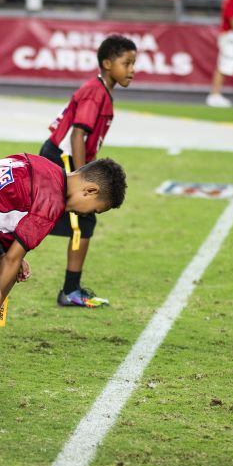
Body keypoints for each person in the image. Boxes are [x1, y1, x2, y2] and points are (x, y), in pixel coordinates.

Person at [0, 153, 127, 412]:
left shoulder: (47, 168)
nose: (85, 213)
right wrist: (6, 264)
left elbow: (1, 198)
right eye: (95, 209)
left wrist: (6, 253)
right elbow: (10, 261)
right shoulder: (52, 204)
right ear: (90, 190)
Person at [38, 35, 136, 309]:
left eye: (133, 64)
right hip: (64, 158)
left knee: (69, 219)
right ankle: (70, 291)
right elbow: (78, 134)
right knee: (83, 219)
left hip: (63, 156)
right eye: (126, 63)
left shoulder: (102, 89)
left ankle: (71, 288)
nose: (132, 70)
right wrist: (83, 174)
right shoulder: (96, 91)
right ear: (107, 63)